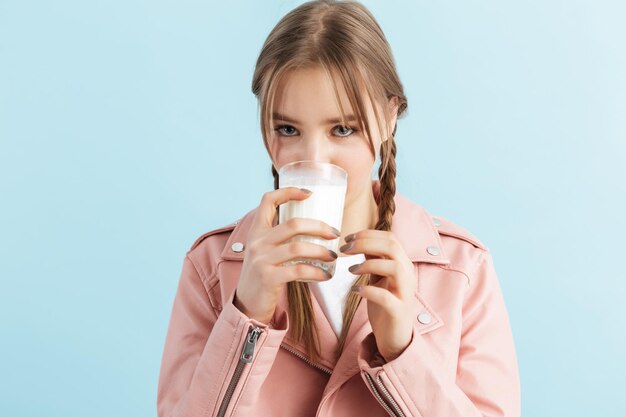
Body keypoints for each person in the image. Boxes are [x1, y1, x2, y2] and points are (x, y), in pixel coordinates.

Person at [156, 1, 521, 416]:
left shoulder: (461, 270)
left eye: (342, 129)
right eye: (287, 129)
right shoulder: (210, 269)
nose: (314, 157)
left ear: (388, 118)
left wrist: (402, 352)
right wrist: (246, 319)